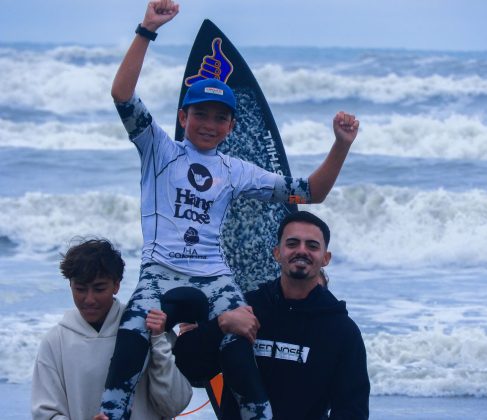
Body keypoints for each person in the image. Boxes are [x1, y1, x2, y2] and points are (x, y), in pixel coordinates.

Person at [103, 0, 360, 418]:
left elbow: (310, 191)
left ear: (231, 126)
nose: (209, 122)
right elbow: (122, 94)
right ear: (183, 116)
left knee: (240, 338)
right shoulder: (158, 150)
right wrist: (147, 30)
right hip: (160, 270)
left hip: (214, 275)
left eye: (220, 116)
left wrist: (341, 145)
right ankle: (109, 412)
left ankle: (259, 415)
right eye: (200, 113)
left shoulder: (236, 170)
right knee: (133, 330)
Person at [173, 211, 370, 419]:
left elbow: (351, 410)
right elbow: (190, 370)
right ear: (277, 253)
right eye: (292, 243)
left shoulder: (341, 330)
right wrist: (218, 326)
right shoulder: (242, 310)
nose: (302, 250)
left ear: (325, 258)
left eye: (312, 246)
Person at [31, 239, 192, 420]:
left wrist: (158, 339)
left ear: (116, 285)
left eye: (99, 289)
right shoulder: (56, 341)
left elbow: (175, 405)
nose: (89, 299)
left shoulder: (146, 328)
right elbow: (45, 414)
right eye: (80, 289)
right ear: (70, 285)